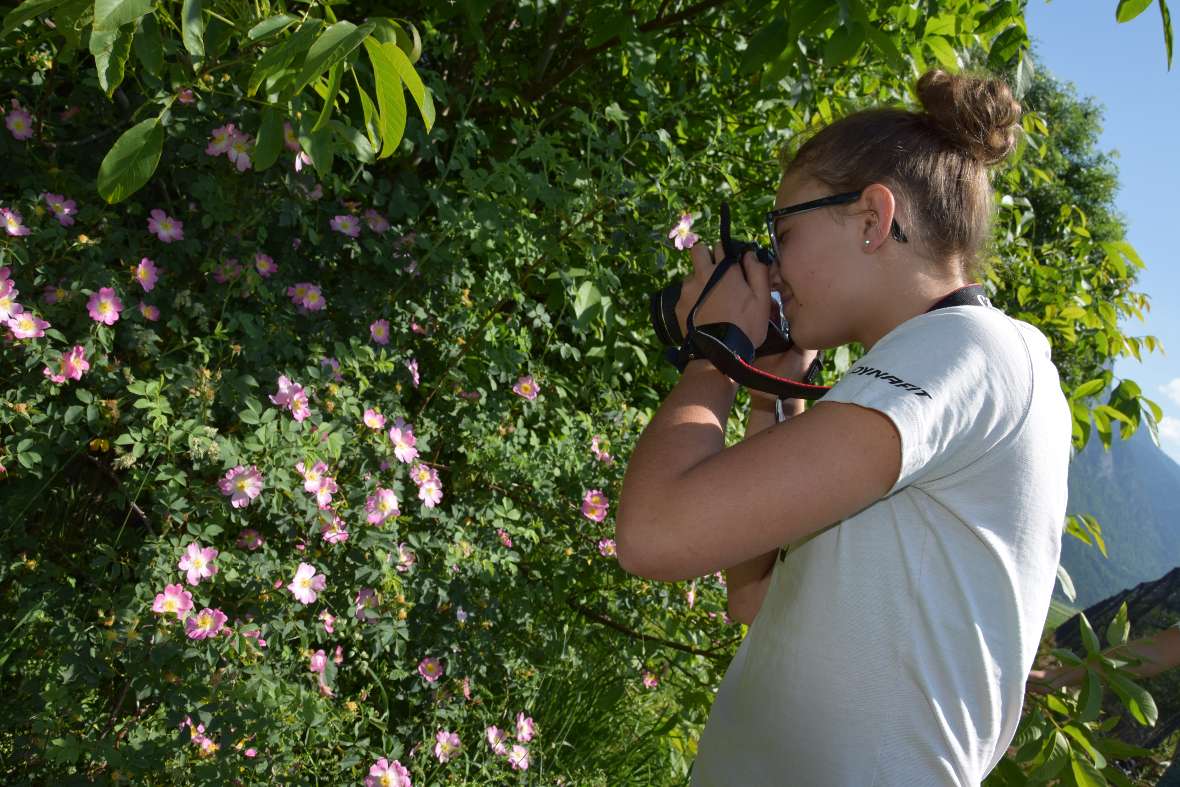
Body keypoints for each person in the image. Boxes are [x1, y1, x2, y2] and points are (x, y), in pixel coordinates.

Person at [615, 68, 1072, 785]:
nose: (772, 263)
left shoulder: (972, 349)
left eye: (782, 231)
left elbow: (653, 532)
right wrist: (777, 380)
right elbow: (754, 598)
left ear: (872, 218)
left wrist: (714, 357)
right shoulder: (920, 385)